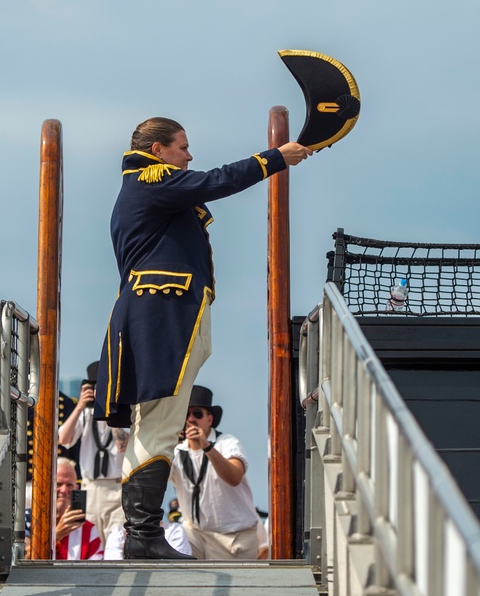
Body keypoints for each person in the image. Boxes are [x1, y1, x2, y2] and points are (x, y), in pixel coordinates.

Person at [94, 117, 312, 559]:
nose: (189, 157)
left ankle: (144, 534)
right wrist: (275, 159)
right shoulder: (150, 180)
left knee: (156, 425)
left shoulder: (148, 187)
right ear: (158, 151)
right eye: (182, 147)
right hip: (163, 314)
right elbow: (216, 181)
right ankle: (143, 536)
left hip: (165, 313)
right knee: (157, 426)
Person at [169, 386, 261, 559]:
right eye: (185, 414)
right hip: (198, 535)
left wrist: (206, 446)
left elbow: (234, 478)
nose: (190, 419)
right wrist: (169, 441)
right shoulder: (176, 450)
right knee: (181, 540)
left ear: (209, 419)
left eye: (197, 414)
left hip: (235, 538)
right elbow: (156, 478)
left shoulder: (226, 443)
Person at [57, 362, 126, 544]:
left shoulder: (126, 415)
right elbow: (63, 439)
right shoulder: (85, 414)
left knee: (116, 545)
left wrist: (112, 412)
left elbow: (122, 446)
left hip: (116, 488)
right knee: (91, 542)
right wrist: (80, 406)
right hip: (90, 488)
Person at [53, 457, 103, 560]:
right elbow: (21, 559)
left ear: (76, 489)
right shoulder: (29, 520)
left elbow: (97, 572)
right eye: (58, 484)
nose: (64, 490)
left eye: (69, 485)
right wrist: (57, 535)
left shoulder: (89, 530)